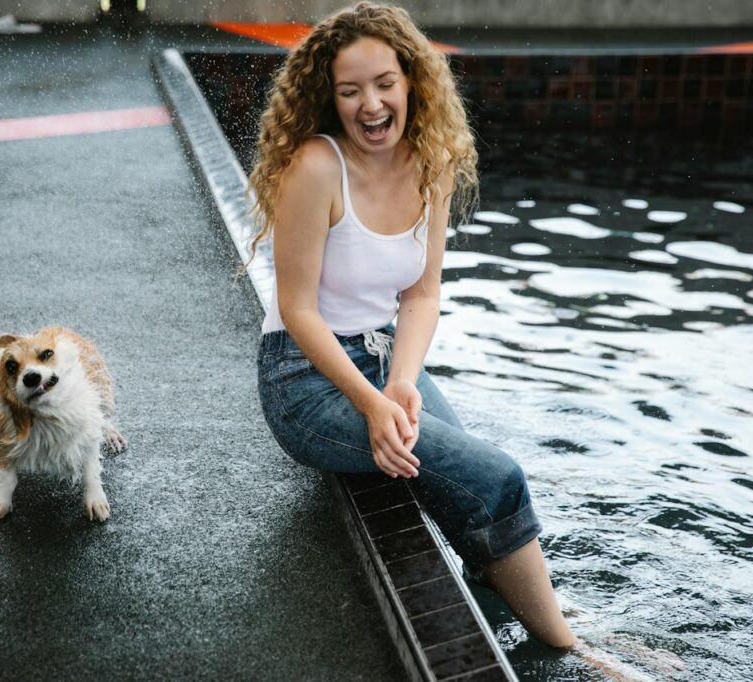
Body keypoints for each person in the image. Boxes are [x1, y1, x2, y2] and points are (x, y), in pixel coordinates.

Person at [247, 2, 577, 650]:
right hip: (305, 380)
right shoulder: (318, 167)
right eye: (350, 91)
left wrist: (400, 382)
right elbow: (297, 309)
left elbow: (422, 293)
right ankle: (568, 647)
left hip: (383, 355)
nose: (370, 104)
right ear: (331, 97)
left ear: (410, 81)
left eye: (383, 84)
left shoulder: (433, 160)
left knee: (465, 480)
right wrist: (371, 403)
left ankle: (514, 610)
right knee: (497, 476)